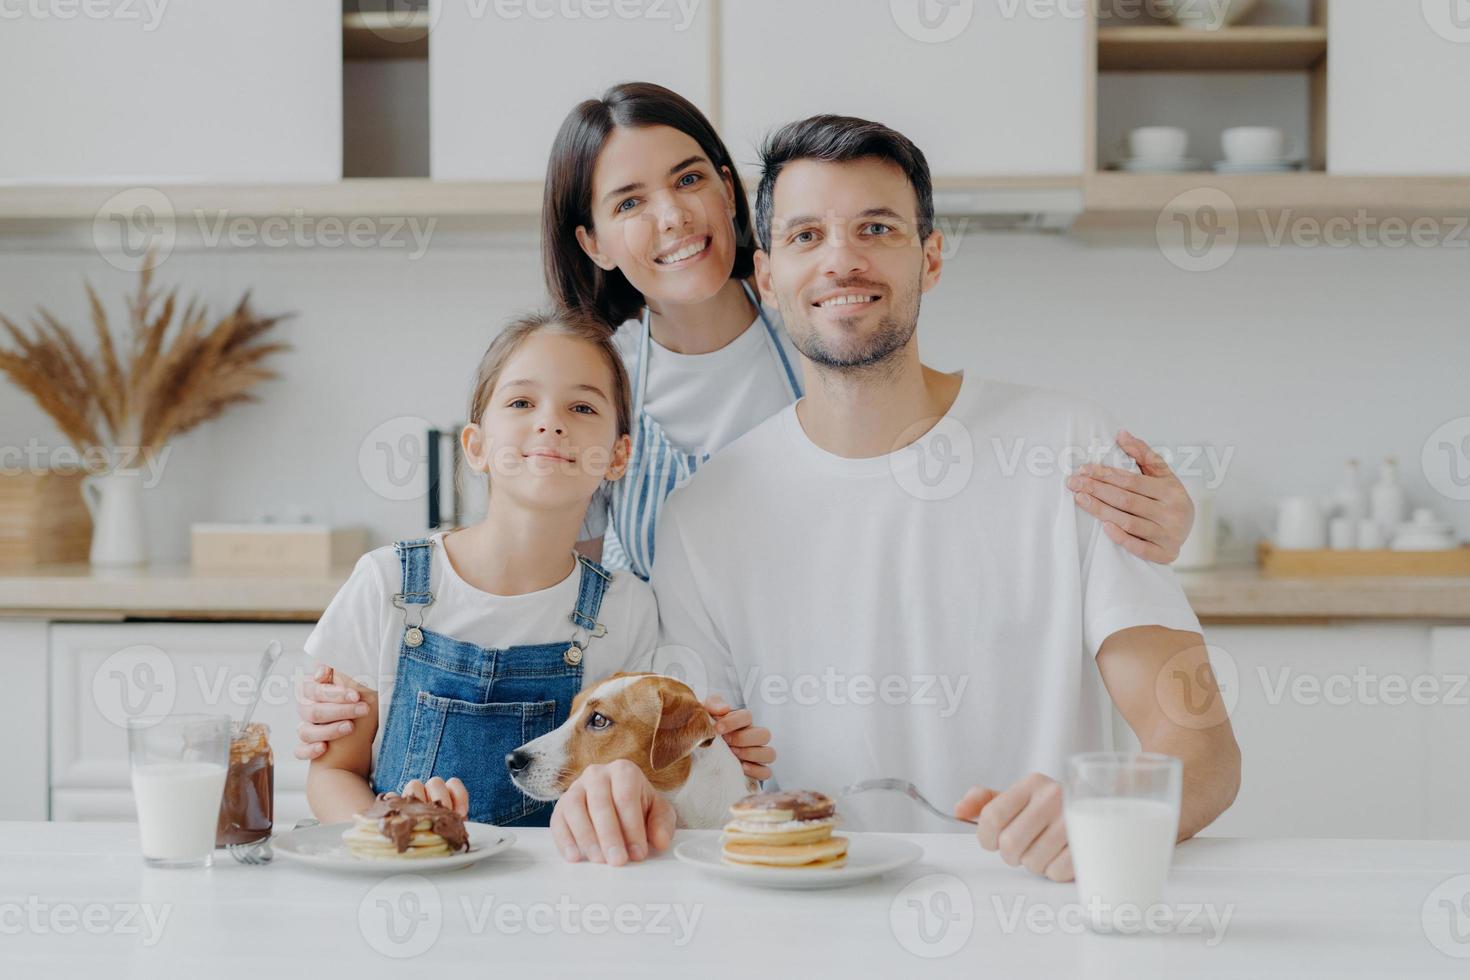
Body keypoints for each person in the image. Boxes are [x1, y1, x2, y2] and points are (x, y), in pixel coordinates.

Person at [556, 115, 1242, 879]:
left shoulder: (1070, 447)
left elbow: (1203, 748)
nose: (843, 260)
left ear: (932, 256)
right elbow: (700, 775)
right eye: (807, 235)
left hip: (1034, 916)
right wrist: (613, 788)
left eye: (877, 228)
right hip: (802, 917)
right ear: (768, 275)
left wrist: (1110, 814)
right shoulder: (702, 517)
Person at [302, 311, 762, 866]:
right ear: (475, 445)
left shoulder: (628, 609)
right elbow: (332, 772)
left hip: (566, 905)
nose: (551, 423)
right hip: (406, 889)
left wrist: (714, 753)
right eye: (522, 403)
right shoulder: (388, 584)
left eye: (583, 407)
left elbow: (643, 785)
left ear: (619, 455)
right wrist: (392, 831)